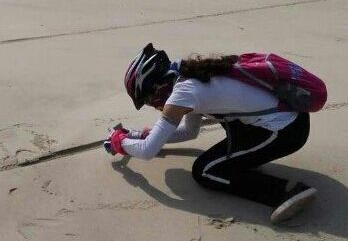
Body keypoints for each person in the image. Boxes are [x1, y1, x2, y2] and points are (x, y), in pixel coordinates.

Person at [108, 43, 317, 224]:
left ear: (157, 87)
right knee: (223, 142)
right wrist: (139, 136)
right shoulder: (187, 75)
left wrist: (119, 142)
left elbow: (147, 151)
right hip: (287, 117)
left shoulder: (182, 95)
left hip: (286, 132)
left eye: (147, 100)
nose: (153, 105)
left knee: (205, 172)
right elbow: (190, 132)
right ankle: (245, 161)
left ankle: (288, 191)